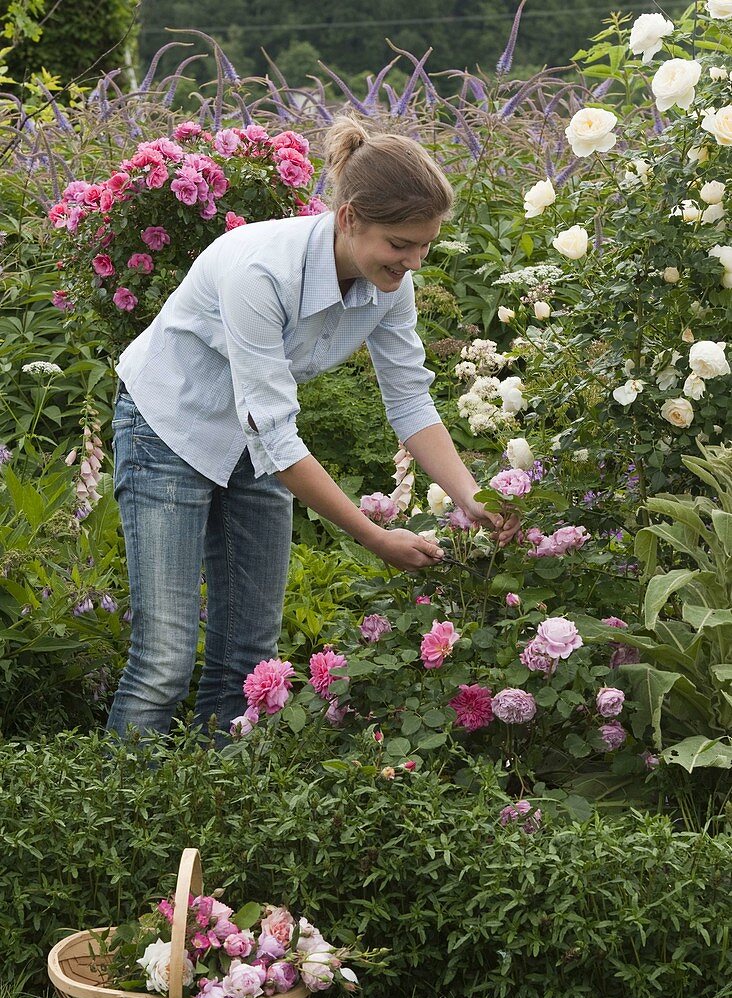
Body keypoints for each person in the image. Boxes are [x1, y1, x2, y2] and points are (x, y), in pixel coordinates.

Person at [106, 115, 519, 741]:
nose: (412, 262)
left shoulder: (389, 284)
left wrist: (475, 499)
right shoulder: (260, 271)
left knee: (249, 657)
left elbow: (410, 401)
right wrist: (375, 537)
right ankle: (123, 820)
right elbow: (274, 433)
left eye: (424, 246)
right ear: (350, 217)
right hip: (168, 430)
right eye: (400, 244)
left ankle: (215, 810)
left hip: (255, 445)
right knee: (164, 661)